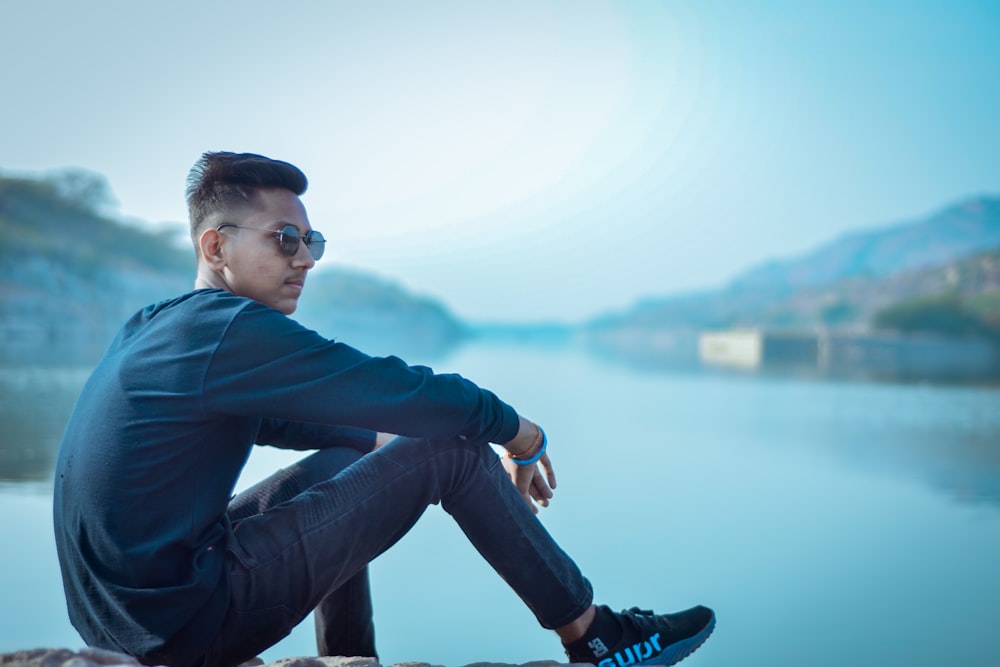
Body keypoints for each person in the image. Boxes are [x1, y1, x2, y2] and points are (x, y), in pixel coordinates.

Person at [52, 151, 715, 667]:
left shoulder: (156, 324)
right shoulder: (228, 329)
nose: (305, 259)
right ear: (216, 247)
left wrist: (391, 447)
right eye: (285, 238)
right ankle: (598, 637)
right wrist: (521, 434)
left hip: (126, 618)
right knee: (450, 448)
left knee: (355, 453)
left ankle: (351, 653)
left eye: (313, 240)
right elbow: (397, 386)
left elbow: (299, 420)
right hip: (181, 626)